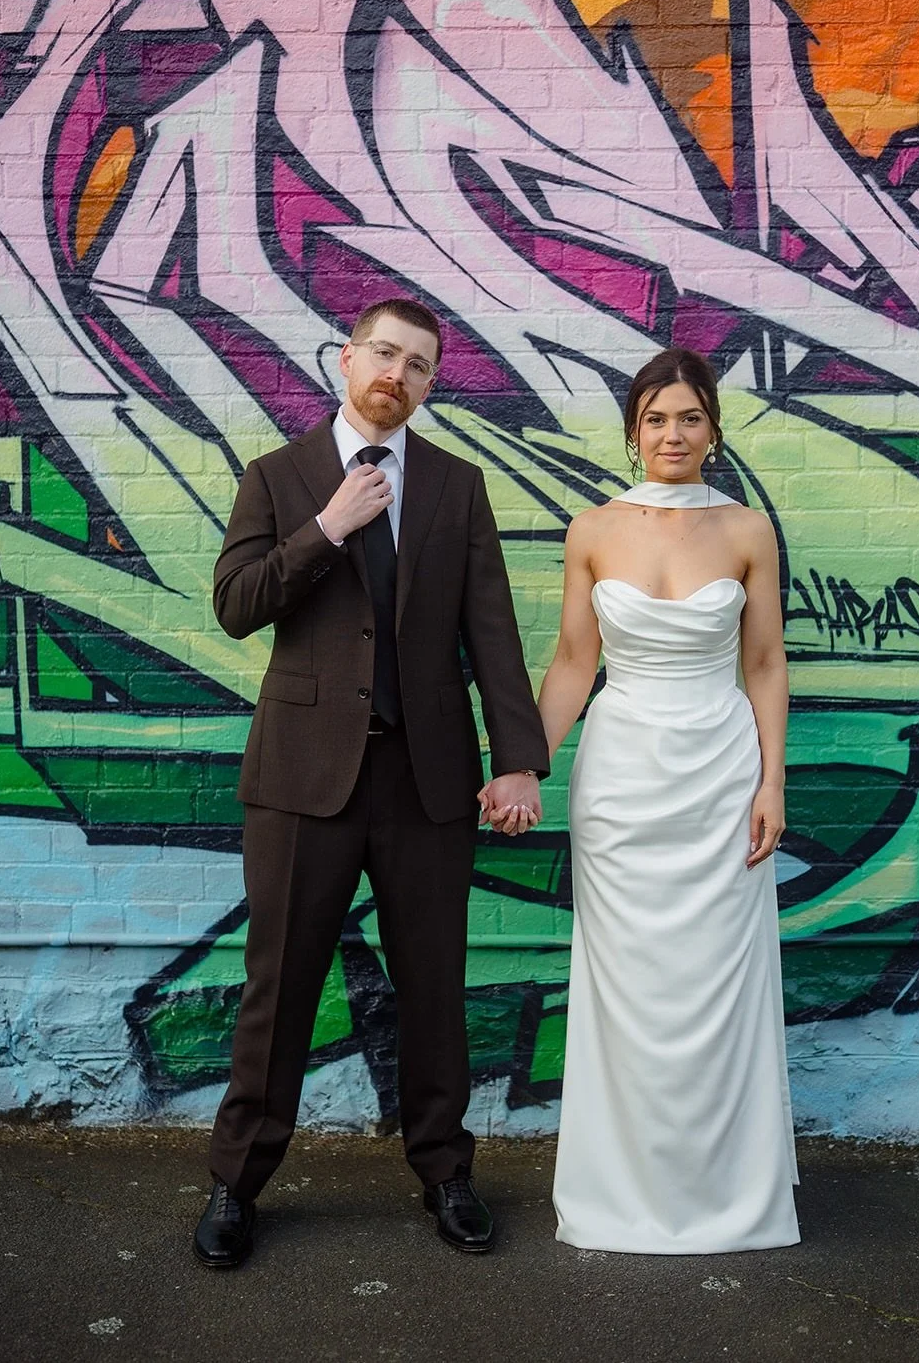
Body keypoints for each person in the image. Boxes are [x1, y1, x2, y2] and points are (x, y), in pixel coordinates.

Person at [194, 298, 549, 1267]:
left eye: (420, 365)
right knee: (281, 988)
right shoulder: (279, 478)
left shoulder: (458, 488)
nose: (399, 374)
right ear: (347, 361)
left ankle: (445, 1171)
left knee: (433, 988)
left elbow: (492, 631)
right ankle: (235, 1184)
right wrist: (325, 526)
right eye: (385, 354)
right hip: (305, 781)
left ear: (430, 385)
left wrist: (515, 756)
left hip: (427, 782)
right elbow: (235, 604)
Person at [528, 347, 799, 1253]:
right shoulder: (592, 530)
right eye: (655, 419)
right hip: (621, 781)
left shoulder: (748, 531)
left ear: (712, 431)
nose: (672, 434)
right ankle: (622, 1189)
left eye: (688, 417)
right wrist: (524, 763)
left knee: (716, 984)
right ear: (632, 433)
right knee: (628, 988)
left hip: (720, 776)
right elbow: (574, 664)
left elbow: (762, 664)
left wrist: (772, 781)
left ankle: (727, 1193)